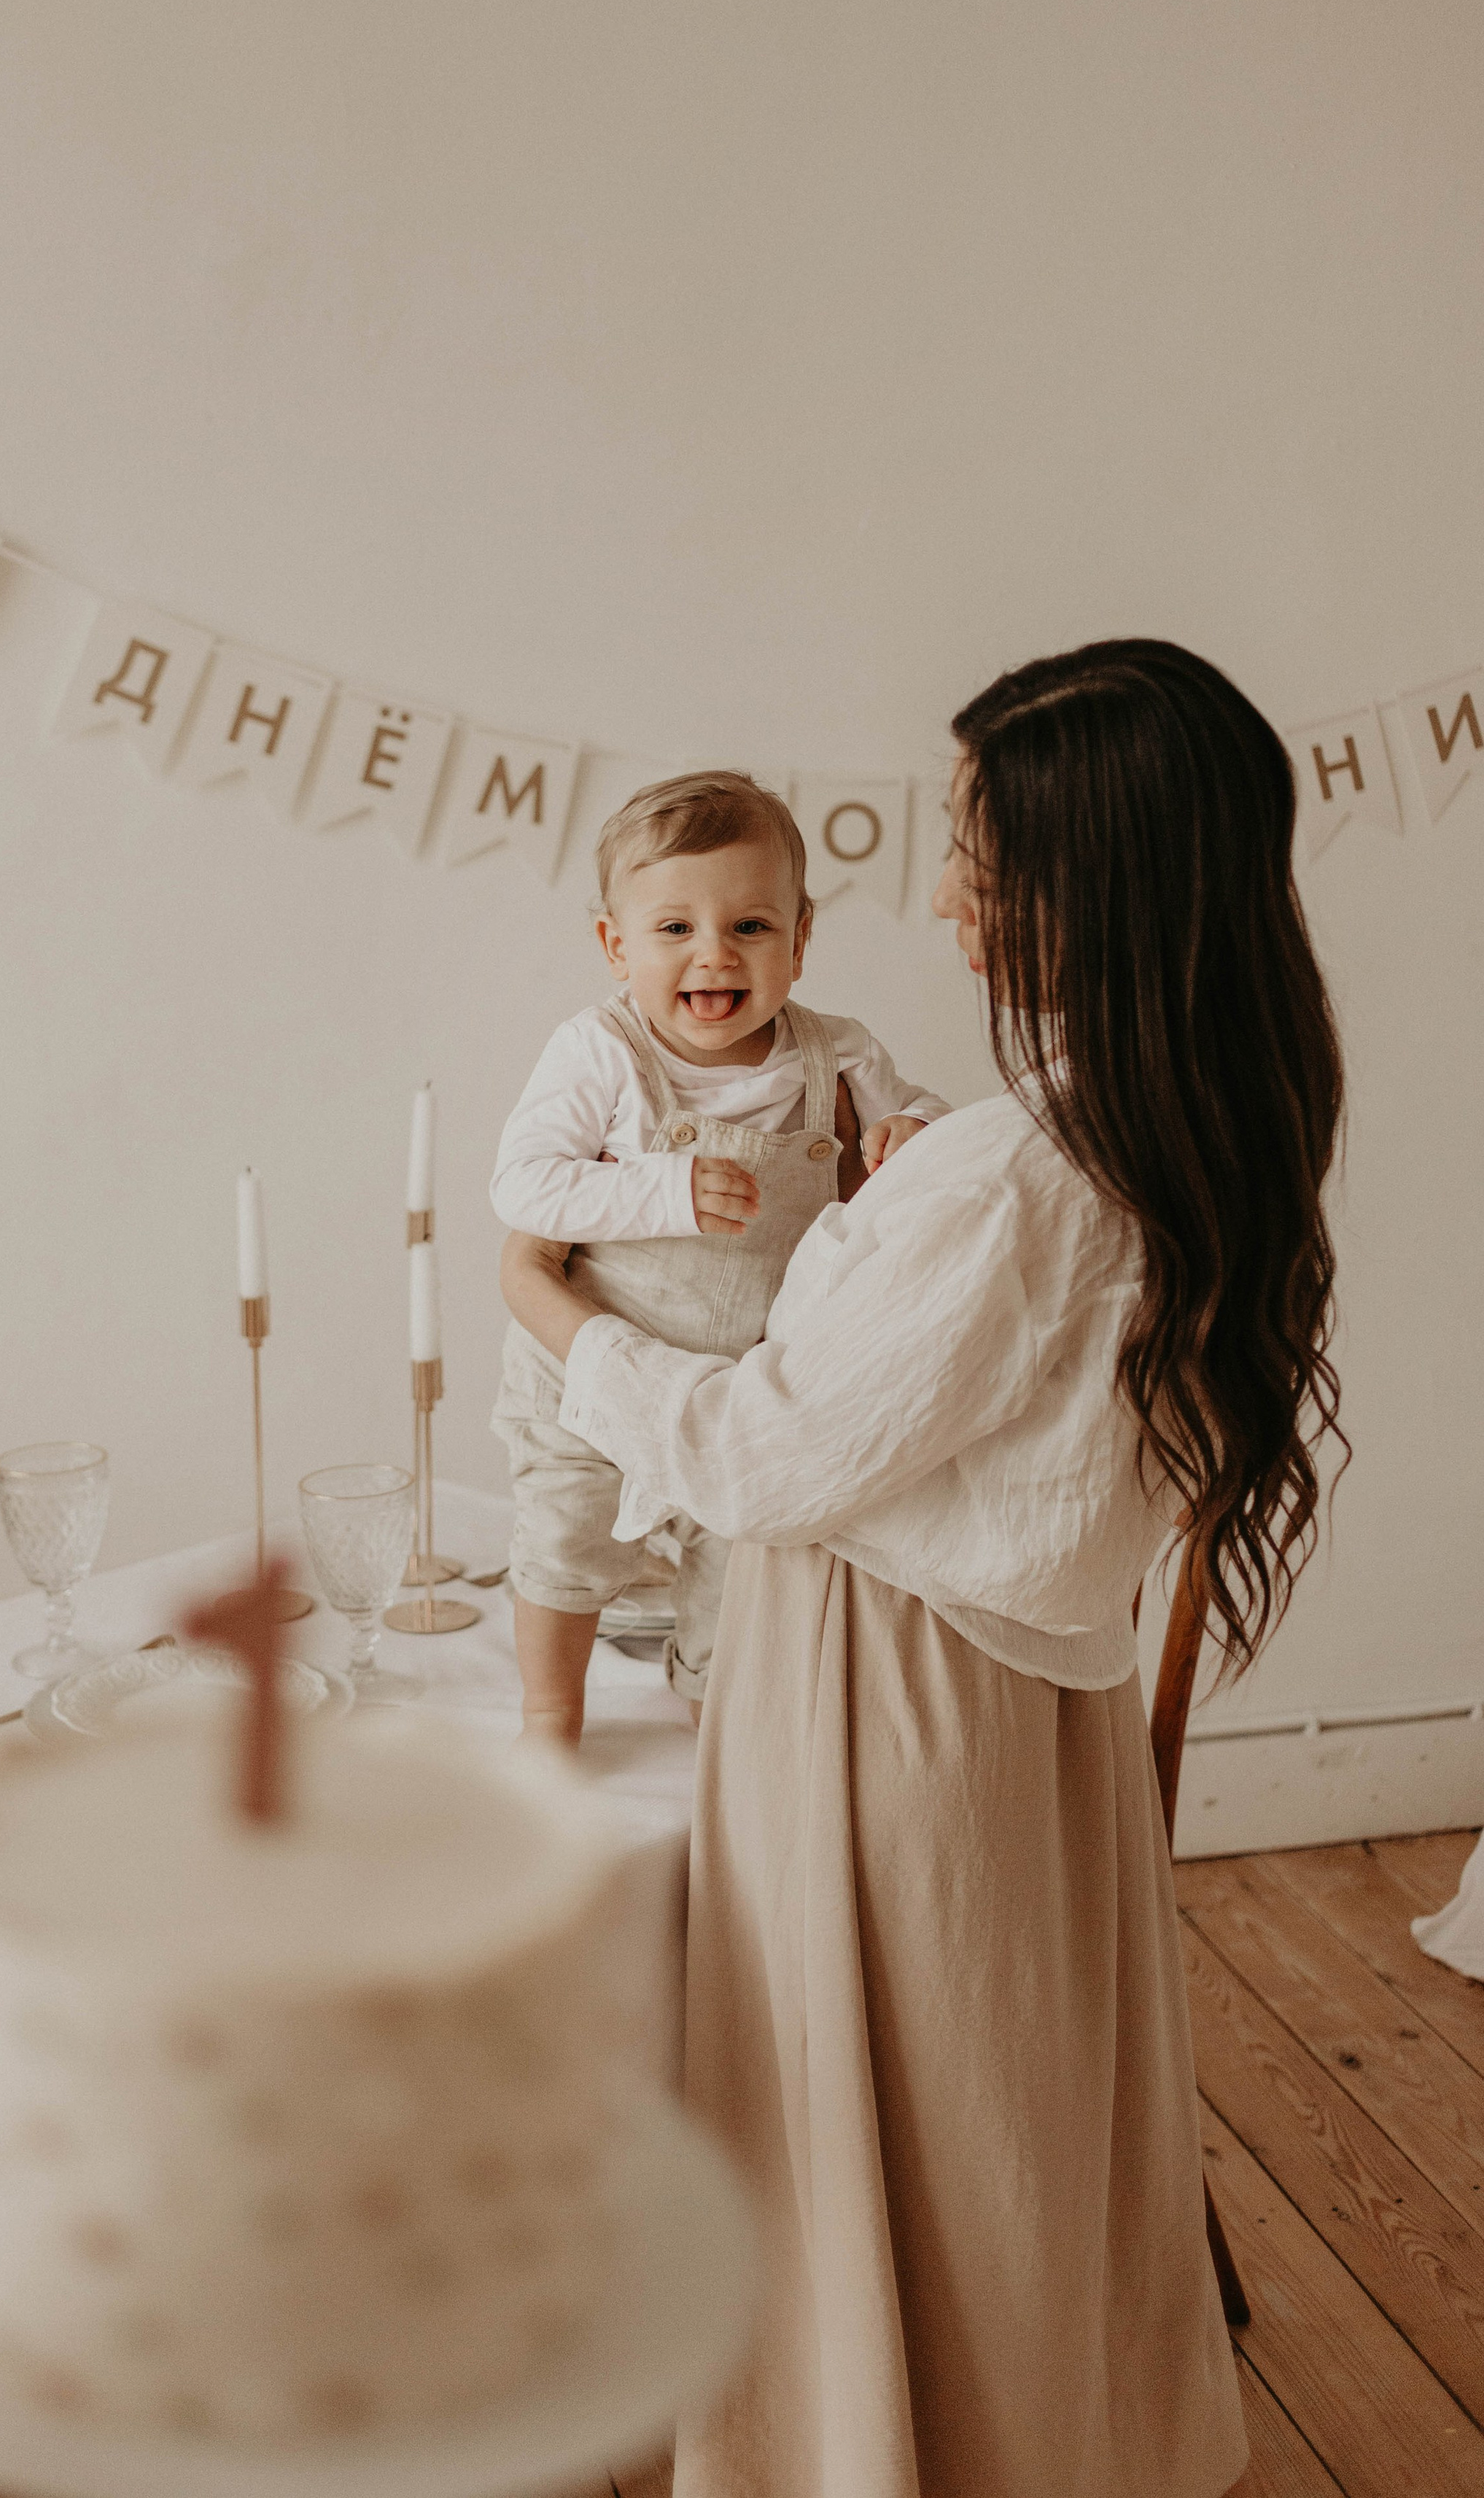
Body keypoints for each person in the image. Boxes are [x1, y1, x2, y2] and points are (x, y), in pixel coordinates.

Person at [502, 642, 1344, 2497]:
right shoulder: (1198, 1120)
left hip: (878, 1688)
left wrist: (553, 1313)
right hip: (1037, 1697)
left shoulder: (1001, 1180)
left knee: (851, 2120)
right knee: (1005, 2125)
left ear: (1071, 883)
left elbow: (755, 1455)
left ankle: (876, 2460)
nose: (946, 896)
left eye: (973, 852)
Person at [491, 768, 946, 1744]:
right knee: (564, 1537)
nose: (714, 955)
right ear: (615, 945)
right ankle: (548, 1715)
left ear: (801, 936)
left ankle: (716, 1721)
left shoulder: (836, 1053)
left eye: (749, 926)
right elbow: (521, 1186)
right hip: (597, 1367)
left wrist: (910, 1126)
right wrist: (662, 1188)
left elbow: (931, 1115)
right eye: (674, 929)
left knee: (740, 1566)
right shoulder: (603, 1052)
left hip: (742, 1387)